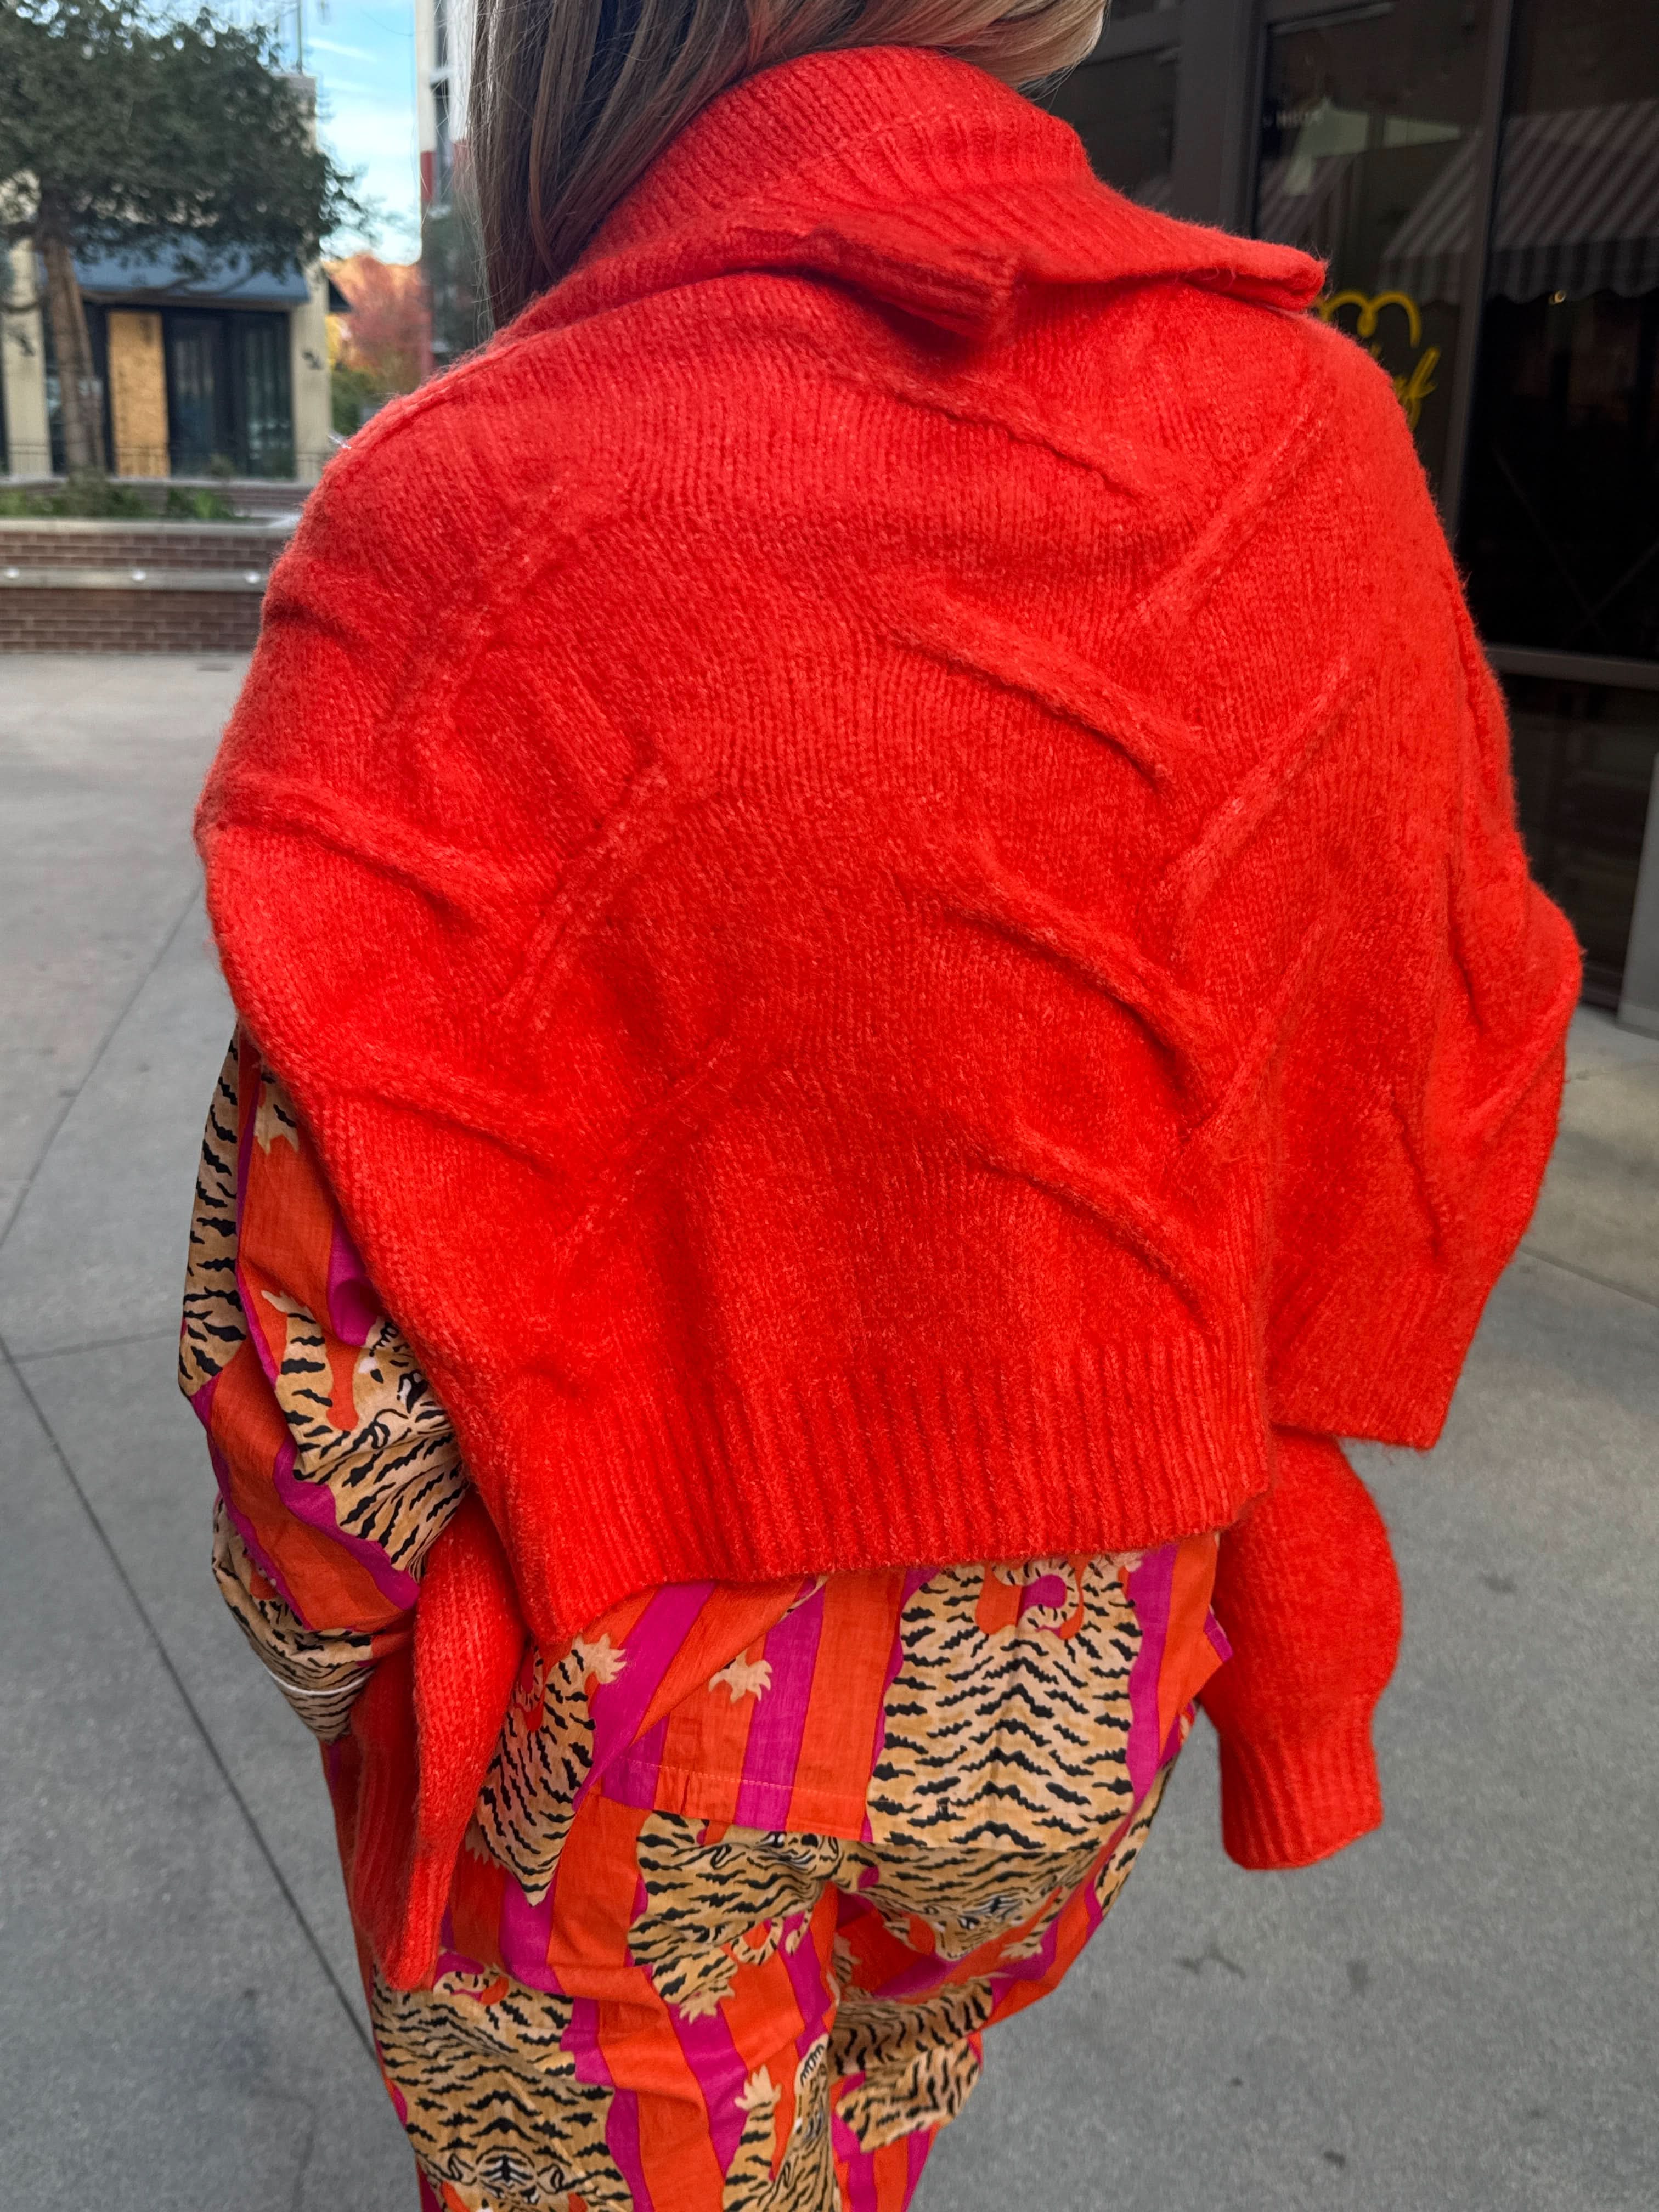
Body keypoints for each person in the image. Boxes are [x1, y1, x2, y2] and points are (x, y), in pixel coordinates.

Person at [181, 0, 1582, 2203]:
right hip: (1086, 1674)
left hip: (635, 1703)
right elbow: (1453, 1032)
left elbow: (312, 1284)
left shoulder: (465, 503)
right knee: (871, 2146)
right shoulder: (1320, 441)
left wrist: (345, 1644)